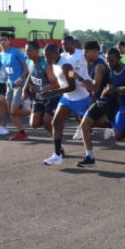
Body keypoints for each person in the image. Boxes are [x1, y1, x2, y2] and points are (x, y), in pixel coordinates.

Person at [91, 48, 125, 171]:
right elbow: (110, 88)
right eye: (107, 61)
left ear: (118, 58)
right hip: (124, 107)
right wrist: (106, 93)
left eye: (111, 60)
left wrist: (113, 90)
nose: (109, 64)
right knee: (118, 136)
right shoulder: (111, 73)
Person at [44, 38, 92, 166]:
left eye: (47, 56)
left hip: (80, 98)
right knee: (56, 122)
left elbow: (72, 86)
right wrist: (51, 89)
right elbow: (62, 84)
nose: (46, 58)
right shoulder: (54, 64)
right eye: (44, 56)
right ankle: (57, 155)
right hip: (67, 98)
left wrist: (54, 92)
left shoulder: (66, 66)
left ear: (55, 54)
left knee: (91, 126)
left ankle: (111, 126)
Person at [0, 33, 29, 140]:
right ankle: (22, 132)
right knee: (11, 111)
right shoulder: (0, 56)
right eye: (0, 40)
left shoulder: (16, 53)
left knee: (14, 110)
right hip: (9, 85)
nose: (2, 42)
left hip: (20, 84)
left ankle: (37, 112)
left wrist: (20, 79)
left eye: (4, 40)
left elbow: (26, 68)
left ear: (9, 40)